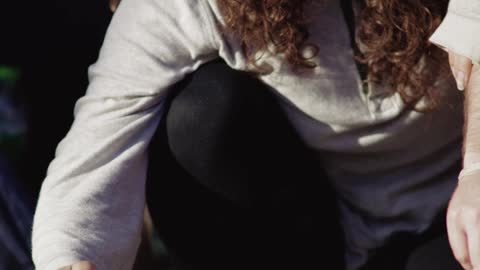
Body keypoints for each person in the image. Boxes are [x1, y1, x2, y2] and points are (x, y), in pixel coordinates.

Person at [30, 0, 480, 269]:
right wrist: (69, 258)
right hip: (332, 216)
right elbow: (97, 139)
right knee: (200, 113)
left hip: (458, 204)